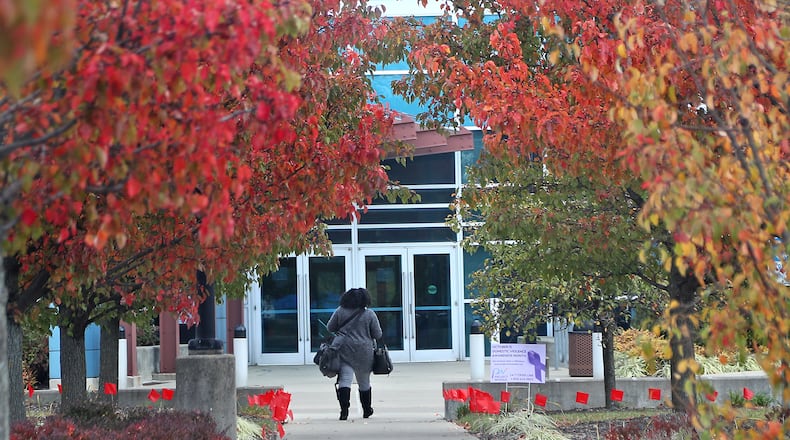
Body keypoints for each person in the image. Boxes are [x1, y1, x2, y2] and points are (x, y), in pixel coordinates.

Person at [326, 287, 383, 420]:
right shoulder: (369, 314)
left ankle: (344, 411)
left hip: (344, 349)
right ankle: (367, 410)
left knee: (345, 380)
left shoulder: (340, 311)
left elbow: (330, 327)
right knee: (364, 381)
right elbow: (378, 334)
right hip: (365, 352)